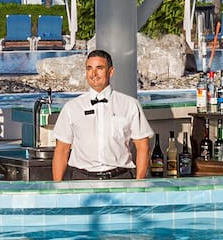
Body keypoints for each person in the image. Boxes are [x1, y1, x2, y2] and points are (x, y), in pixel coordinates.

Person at [50, 50, 154, 181]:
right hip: (81, 180)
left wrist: (139, 183)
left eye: (99, 68)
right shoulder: (72, 107)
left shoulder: (130, 105)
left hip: (121, 179)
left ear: (111, 71)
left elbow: (143, 146)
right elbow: (61, 151)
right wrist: (57, 189)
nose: (93, 74)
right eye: (89, 69)